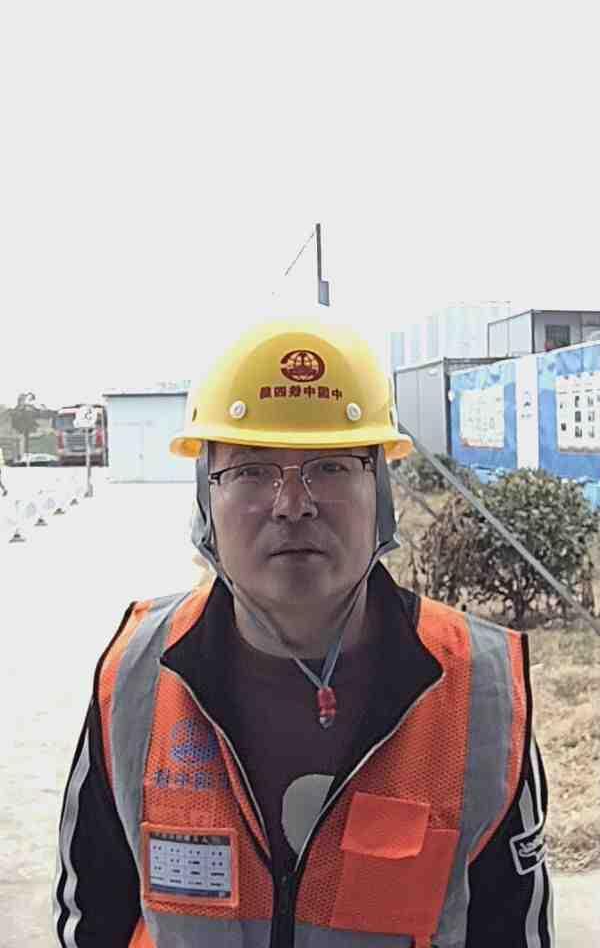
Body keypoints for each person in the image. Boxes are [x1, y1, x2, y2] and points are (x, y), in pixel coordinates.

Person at [54, 319, 554, 947]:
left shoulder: (479, 691)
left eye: (331, 467)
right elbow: (91, 919)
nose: (293, 504)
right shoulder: (135, 676)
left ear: (381, 492)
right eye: (252, 471)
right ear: (206, 499)